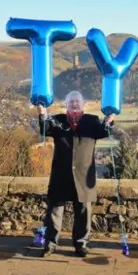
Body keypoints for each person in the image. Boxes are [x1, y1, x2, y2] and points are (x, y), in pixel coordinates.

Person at [37, 91, 115, 258]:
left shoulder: (91, 121)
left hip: (84, 175)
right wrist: (42, 114)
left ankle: (81, 244)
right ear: (66, 104)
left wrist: (109, 120)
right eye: (71, 101)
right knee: (54, 212)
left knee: (83, 212)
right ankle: (50, 244)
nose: (74, 104)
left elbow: (104, 132)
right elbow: (45, 129)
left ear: (83, 104)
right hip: (61, 175)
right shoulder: (58, 119)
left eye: (77, 101)